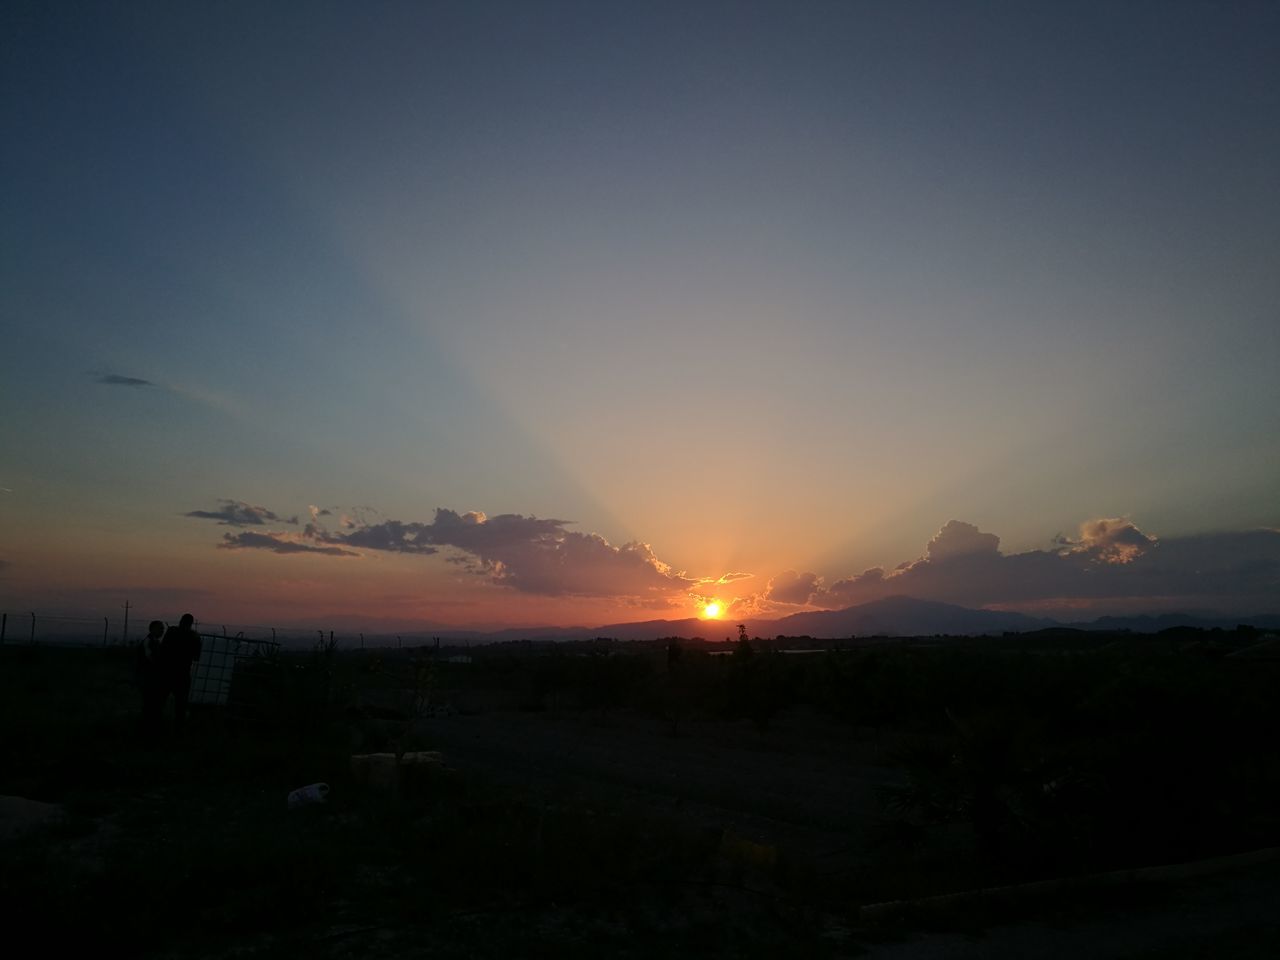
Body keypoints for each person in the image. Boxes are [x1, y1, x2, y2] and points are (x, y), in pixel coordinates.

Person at [156, 613, 202, 737]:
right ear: (191, 623)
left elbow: (162, 649)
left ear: (180, 621)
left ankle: (154, 728)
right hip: (182, 674)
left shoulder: (171, 632)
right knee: (181, 706)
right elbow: (197, 657)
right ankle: (178, 732)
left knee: (159, 702)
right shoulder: (194, 637)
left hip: (166, 673)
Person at [138, 620, 166, 739]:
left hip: (154, 680)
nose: (162, 631)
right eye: (160, 628)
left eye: (163, 629)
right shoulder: (148, 642)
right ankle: (147, 733)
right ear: (152, 629)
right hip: (149, 680)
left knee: (154, 707)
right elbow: (151, 660)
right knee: (150, 707)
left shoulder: (156, 643)